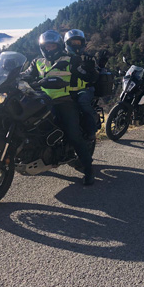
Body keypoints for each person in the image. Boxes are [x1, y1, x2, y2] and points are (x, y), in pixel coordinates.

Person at [21, 30, 95, 185]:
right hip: (42, 100)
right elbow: (26, 75)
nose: (49, 49)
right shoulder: (38, 62)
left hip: (65, 100)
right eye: (46, 46)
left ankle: (89, 171)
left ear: (59, 46)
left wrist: (89, 68)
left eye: (52, 46)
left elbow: (88, 77)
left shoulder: (71, 60)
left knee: (74, 134)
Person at [63, 29, 99, 141]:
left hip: (84, 89)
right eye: (73, 42)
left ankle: (91, 130)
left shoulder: (88, 58)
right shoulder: (61, 57)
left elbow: (94, 78)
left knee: (82, 102)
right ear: (67, 43)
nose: (76, 45)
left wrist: (91, 70)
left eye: (78, 42)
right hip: (64, 90)